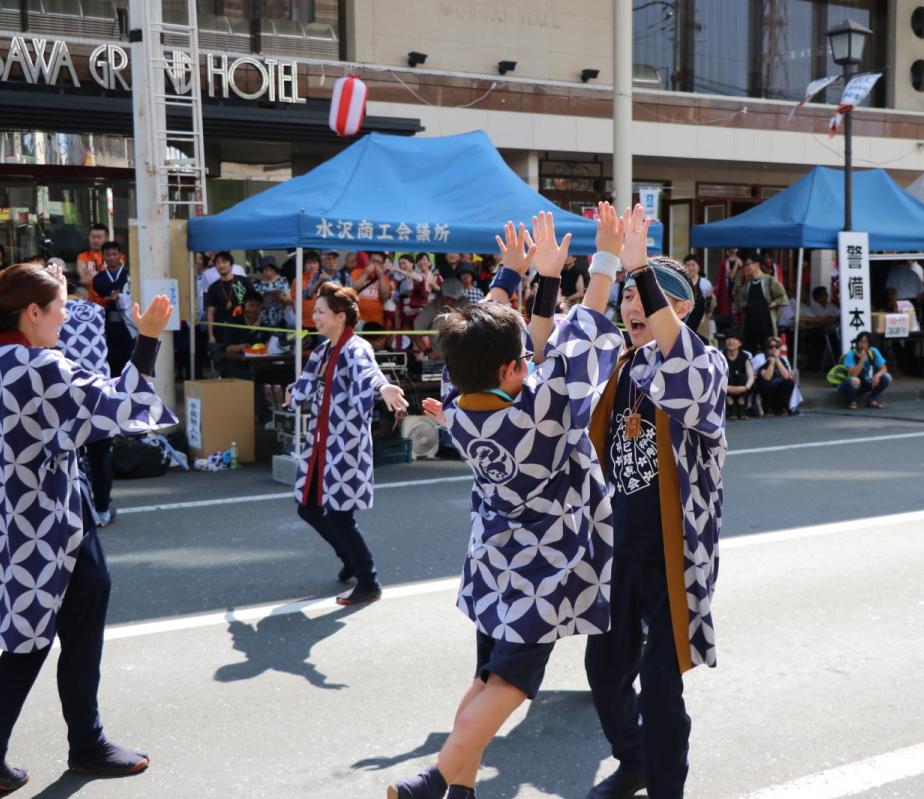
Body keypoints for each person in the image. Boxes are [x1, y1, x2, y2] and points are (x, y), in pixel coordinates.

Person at [391, 209, 623, 799]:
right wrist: (604, 258)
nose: (531, 360)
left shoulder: (459, 399)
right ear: (512, 368)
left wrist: (516, 273)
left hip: (493, 561)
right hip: (540, 572)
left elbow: (495, 336)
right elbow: (588, 327)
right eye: (522, 359)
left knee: (484, 677)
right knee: (511, 687)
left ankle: (461, 790)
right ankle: (434, 780)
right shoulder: (542, 413)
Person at [0, 263, 177, 791]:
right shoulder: (42, 367)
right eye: (60, 307)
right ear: (32, 312)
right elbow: (123, 407)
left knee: (32, 636)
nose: (66, 318)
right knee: (46, 638)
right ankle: (81, 745)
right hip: (51, 526)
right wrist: (148, 339)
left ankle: (31, 749)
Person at [584, 204, 727, 799]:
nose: (634, 305)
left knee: (662, 685)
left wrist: (639, 266)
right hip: (620, 549)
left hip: (676, 554)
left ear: (683, 311)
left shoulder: (706, 366)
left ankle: (668, 789)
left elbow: (686, 376)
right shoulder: (616, 368)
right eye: (629, 295)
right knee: (604, 669)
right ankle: (634, 759)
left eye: (650, 297)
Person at [286, 282, 407, 606]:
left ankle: (368, 580)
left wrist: (384, 388)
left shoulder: (356, 348)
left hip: (345, 446)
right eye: (315, 312)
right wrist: (293, 392)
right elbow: (306, 383)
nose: (316, 317)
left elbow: (369, 374)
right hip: (321, 444)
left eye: (321, 312)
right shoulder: (324, 349)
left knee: (340, 516)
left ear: (340, 317)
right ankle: (350, 558)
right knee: (308, 508)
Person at [55, 274, 118, 528]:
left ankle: (73, 511)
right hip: (99, 389)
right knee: (100, 454)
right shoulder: (96, 310)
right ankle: (102, 509)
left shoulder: (49, 313)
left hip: (64, 390)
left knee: (69, 454)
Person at [90, 241, 135, 376]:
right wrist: (106, 300)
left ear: (120, 255)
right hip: (107, 325)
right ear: (103, 257)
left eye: (114, 254)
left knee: (129, 359)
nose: (111, 258)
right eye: (108, 255)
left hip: (128, 324)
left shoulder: (130, 276)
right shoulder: (98, 279)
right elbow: (94, 300)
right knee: (111, 359)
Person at [735, 252, 787, 354]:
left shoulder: (769, 280)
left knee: (767, 350)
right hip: (749, 322)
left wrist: (772, 304)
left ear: (757, 264)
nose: (746, 267)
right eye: (746, 265)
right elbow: (739, 302)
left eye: (749, 264)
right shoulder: (747, 283)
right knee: (748, 351)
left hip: (765, 323)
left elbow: (783, 296)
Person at [206, 251, 256, 353]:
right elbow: (210, 312)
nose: (221, 265)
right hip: (222, 329)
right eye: (218, 263)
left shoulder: (244, 281)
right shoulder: (213, 287)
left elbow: (254, 302)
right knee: (225, 356)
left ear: (231, 264)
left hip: (243, 326)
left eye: (224, 262)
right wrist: (211, 335)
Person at [836, 331, 891, 409]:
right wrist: (862, 360)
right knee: (854, 380)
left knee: (887, 377)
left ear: (870, 344)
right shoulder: (851, 354)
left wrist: (877, 376)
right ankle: (852, 401)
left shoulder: (873, 351)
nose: (862, 345)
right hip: (847, 385)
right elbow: (853, 374)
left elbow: (884, 368)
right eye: (861, 342)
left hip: (864, 382)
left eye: (865, 342)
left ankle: (871, 399)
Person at [753, 336, 796, 416]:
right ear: (767, 348)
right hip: (764, 384)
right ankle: (768, 409)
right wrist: (772, 363)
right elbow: (767, 377)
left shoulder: (782, 359)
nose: (774, 349)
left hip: (778, 383)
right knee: (767, 384)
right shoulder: (760, 358)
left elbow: (786, 376)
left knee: (789, 383)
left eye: (776, 347)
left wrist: (777, 359)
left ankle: (779, 409)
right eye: (771, 347)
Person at [722, 332, 754, 420]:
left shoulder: (745, 357)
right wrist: (726, 388)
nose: (731, 341)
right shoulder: (721, 356)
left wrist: (746, 387)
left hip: (742, 387)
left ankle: (741, 404)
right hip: (726, 388)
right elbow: (716, 376)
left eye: (734, 339)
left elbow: (751, 376)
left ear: (740, 343)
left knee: (742, 376)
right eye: (728, 339)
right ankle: (730, 405)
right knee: (729, 376)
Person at [76, 224, 108, 304]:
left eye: (99, 237)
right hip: (90, 303)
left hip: (111, 303)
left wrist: (93, 276)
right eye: (93, 237)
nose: (95, 240)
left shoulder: (115, 256)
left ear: (106, 239)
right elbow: (84, 279)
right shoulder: (82, 257)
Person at [683, 253, 713, 337]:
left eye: (693, 265)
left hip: (700, 321)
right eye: (687, 265)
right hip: (683, 319)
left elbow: (710, 304)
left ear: (698, 266)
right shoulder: (681, 281)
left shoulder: (705, 283)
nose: (690, 268)